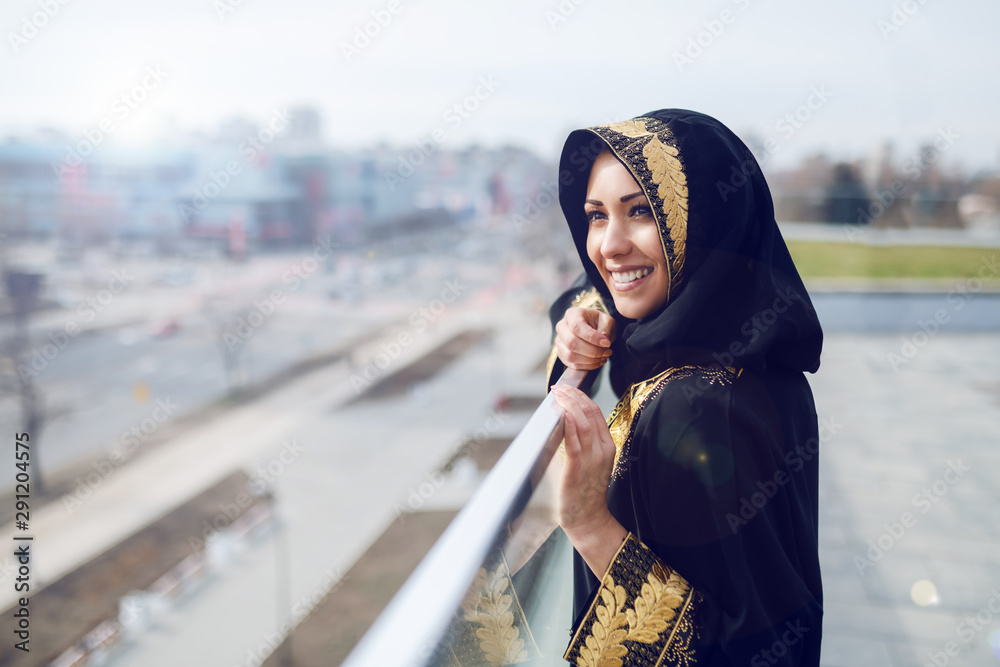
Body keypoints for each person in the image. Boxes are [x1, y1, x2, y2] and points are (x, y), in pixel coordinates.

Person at [544, 109, 825, 665]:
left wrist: (588, 522)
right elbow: (593, 282)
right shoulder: (752, 348)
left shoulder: (694, 410)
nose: (609, 246)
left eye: (642, 212)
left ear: (704, 225)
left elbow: (749, 651)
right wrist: (584, 315)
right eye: (596, 217)